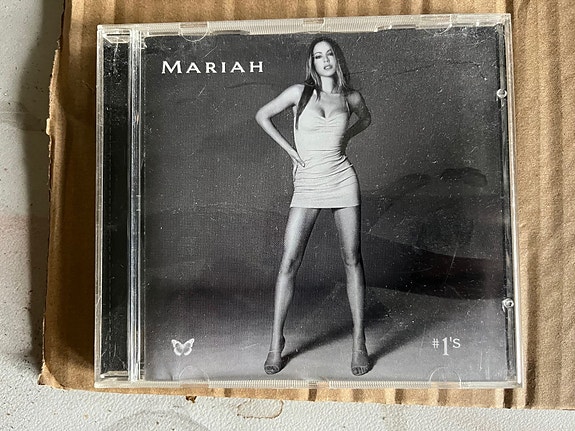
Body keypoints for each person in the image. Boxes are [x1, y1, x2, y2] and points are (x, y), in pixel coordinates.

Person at [255, 37, 372, 376]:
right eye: (319, 56)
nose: (325, 60)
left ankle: (359, 343)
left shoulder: (351, 98)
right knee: (289, 260)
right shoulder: (300, 93)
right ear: (313, 63)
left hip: (342, 179)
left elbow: (366, 119)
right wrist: (291, 152)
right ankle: (276, 343)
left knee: (352, 259)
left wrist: (347, 137)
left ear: (338, 59)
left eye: (330, 54)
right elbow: (262, 115)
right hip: (308, 183)